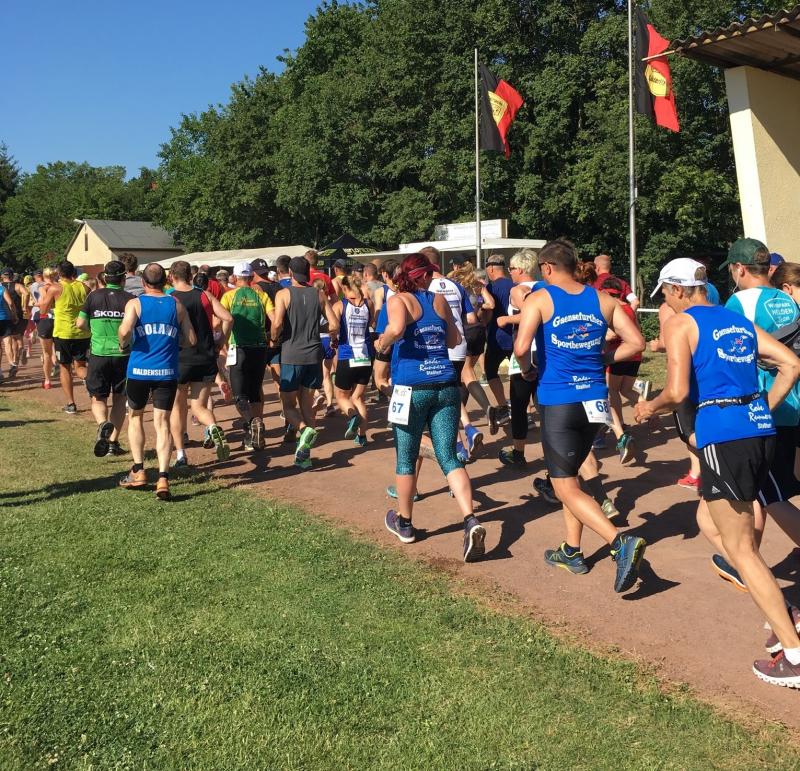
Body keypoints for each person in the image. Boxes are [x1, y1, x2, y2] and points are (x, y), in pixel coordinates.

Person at [634, 257, 800, 687]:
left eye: (666, 293)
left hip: (724, 436)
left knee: (741, 549)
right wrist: (764, 407)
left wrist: (649, 407)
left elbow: (677, 391)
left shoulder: (681, 324)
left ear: (677, 289)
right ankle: (781, 610)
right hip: (758, 430)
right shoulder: (735, 319)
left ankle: (793, 652)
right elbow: (790, 363)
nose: (666, 301)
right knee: (709, 520)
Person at [514, 239, 646, 592]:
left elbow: (521, 347)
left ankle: (619, 542)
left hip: (560, 399)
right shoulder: (603, 299)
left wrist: (527, 370)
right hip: (595, 401)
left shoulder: (540, 298)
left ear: (546, 268)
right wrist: (603, 359)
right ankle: (572, 551)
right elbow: (636, 342)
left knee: (563, 485)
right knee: (570, 477)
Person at [376, 253, 486, 562]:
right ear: (426, 275)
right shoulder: (438, 300)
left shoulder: (398, 300)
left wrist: (382, 344)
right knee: (448, 455)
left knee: (406, 455)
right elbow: (454, 339)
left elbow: (396, 329)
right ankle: (470, 519)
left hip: (411, 387)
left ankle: (405, 523)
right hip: (445, 384)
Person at [117, 263, 196, 500]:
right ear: (166, 281)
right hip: (166, 372)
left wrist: (123, 344)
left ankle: (139, 470)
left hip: (139, 371)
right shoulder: (177, 305)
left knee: (136, 417)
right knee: (162, 423)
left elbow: (124, 331)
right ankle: (163, 478)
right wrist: (175, 342)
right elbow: (191, 339)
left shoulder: (136, 303)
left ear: (143, 282)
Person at [270, 257, 338, 469]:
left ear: (290, 273)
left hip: (292, 355)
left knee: (288, 405)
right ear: (308, 272)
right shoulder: (319, 294)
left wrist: (273, 339)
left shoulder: (283, 294)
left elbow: (277, 323)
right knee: (307, 406)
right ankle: (304, 456)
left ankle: (302, 429)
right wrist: (318, 330)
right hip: (314, 354)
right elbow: (334, 324)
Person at [168, 260, 233, 466]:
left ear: (171, 276)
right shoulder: (204, 295)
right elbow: (228, 318)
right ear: (190, 276)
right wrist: (220, 342)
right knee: (199, 407)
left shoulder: (169, 297)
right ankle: (212, 426)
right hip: (205, 356)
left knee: (178, 408)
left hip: (179, 358)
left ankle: (181, 454)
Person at [421, 245, 482, 459]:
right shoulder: (456, 285)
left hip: (438, 348)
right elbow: (471, 318)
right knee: (452, 393)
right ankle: (468, 432)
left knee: (445, 400)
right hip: (460, 345)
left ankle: (459, 446)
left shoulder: (426, 287)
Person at [75, 260, 134, 457]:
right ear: (123, 278)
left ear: (105, 278)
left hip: (98, 354)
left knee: (98, 396)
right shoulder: (130, 299)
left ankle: (102, 424)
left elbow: (80, 323)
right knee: (120, 399)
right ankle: (112, 443)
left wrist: (93, 329)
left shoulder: (93, 296)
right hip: (123, 355)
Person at [493, 249, 544, 467]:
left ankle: (518, 453)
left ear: (521, 269)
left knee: (519, 405)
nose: (510, 272)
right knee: (544, 405)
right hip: (545, 352)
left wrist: (506, 319)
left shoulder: (518, 290)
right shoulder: (546, 288)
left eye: (512, 268)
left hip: (526, 350)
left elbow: (532, 315)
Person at [220, 261, 275, 452]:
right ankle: (257, 428)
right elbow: (275, 319)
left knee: (239, 395)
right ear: (251, 277)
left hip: (238, 348)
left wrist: (222, 343)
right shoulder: (261, 295)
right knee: (255, 391)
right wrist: (272, 338)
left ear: (235, 278)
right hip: (260, 348)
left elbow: (220, 322)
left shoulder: (229, 296)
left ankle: (252, 423)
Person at [600, 276, 645, 463]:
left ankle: (619, 429)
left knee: (611, 392)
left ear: (606, 292)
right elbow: (636, 331)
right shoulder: (628, 308)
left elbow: (612, 335)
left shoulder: (614, 309)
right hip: (634, 356)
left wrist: (598, 334)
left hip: (619, 355)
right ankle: (647, 408)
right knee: (626, 390)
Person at [38, 260, 91, 414]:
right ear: (74, 272)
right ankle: (89, 380)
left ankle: (71, 403)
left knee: (65, 367)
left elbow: (43, 310)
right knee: (80, 366)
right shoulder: (84, 287)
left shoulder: (55, 288)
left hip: (63, 333)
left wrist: (46, 296)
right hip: (82, 332)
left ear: (59, 273)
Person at [333, 274, 373, 446]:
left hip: (347, 355)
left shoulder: (339, 305)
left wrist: (333, 339)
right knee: (358, 398)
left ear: (344, 288)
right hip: (365, 356)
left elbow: (333, 328)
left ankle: (353, 416)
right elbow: (371, 323)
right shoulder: (369, 304)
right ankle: (362, 436)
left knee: (341, 396)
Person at [484, 254, 514, 432]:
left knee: (491, 372)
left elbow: (487, 315)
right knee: (519, 374)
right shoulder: (514, 285)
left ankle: (503, 407)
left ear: (491, 268)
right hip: (514, 336)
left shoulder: (489, 288)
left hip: (496, 337)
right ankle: (525, 412)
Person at [1, 267, 29, 379]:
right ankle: (19, 355)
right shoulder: (17, 286)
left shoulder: (1, 287)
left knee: (10, 341)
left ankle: (13, 364)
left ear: (2, 276)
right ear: (12, 276)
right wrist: (24, 306)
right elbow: (26, 293)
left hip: (6, 316)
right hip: (18, 314)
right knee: (18, 338)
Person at [0, 273, 20, 381]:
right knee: (7, 342)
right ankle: (12, 363)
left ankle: (0, 372)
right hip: (5, 319)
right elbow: (11, 303)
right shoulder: (2, 289)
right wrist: (14, 315)